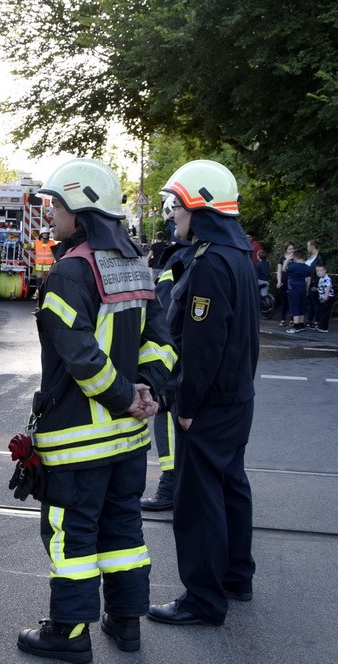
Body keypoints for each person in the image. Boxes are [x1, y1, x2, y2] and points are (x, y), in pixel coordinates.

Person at [16, 158, 175, 663]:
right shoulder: (137, 266)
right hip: (129, 439)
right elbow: (160, 344)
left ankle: (67, 634)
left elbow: (80, 355)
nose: (52, 214)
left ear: (81, 211)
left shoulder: (69, 271)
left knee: (72, 534)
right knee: (123, 528)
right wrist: (146, 389)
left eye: (57, 204)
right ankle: (126, 623)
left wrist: (126, 394)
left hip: (78, 438)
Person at [148, 159, 259, 628]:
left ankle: (202, 600)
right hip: (237, 399)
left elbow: (204, 343)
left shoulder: (211, 261)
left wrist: (187, 405)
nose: (173, 214)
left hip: (209, 404)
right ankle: (236, 577)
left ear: (201, 205)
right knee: (231, 486)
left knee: (199, 501)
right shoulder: (237, 255)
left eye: (178, 205)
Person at [141, 202, 194, 513]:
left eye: (176, 208)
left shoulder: (181, 259)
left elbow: (166, 315)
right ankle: (178, 483)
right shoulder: (199, 256)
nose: (172, 215)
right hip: (183, 354)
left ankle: (171, 485)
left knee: (165, 417)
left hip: (175, 356)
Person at [285, 247, 312, 333]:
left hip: (294, 287)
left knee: (295, 306)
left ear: (295, 257)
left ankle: (296, 326)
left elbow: (284, 269)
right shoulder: (307, 267)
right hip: (303, 287)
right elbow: (308, 279)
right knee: (301, 306)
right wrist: (307, 289)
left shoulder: (293, 266)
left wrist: (287, 260)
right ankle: (301, 324)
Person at [305, 240, 325, 328]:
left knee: (316, 303)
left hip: (315, 283)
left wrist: (316, 285)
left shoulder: (320, 257)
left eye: (308, 246)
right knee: (310, 302)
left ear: (312, 246)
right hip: (308, 282)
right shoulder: (310, 257)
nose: (307, 248)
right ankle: (310, 320)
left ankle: (317, 320)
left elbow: (320, 272)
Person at [275, 242, 295, 326]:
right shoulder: (282, 259)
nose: (292, 250)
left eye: (292, 248)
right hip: (284, 281)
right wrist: (279, 281)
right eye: (290, 249)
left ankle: (292, 320)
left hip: (293, 281)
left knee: (292, 301)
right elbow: (279, 271)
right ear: (286, 250)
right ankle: (282, 320)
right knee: (284, 301)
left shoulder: (295, 258)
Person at [313, 264, 334, 332]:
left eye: (321, 270)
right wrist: (316, 289)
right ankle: (321, 325)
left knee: (325, 313)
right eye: (317, 271)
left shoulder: (326, 278)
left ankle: (324, 328)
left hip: (327, 298)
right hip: (323, 298)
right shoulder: (321, 279)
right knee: (322, 312)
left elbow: (327, 287)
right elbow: (321, 287)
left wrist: (325, 297)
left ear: (325, 271)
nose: (319, 272)